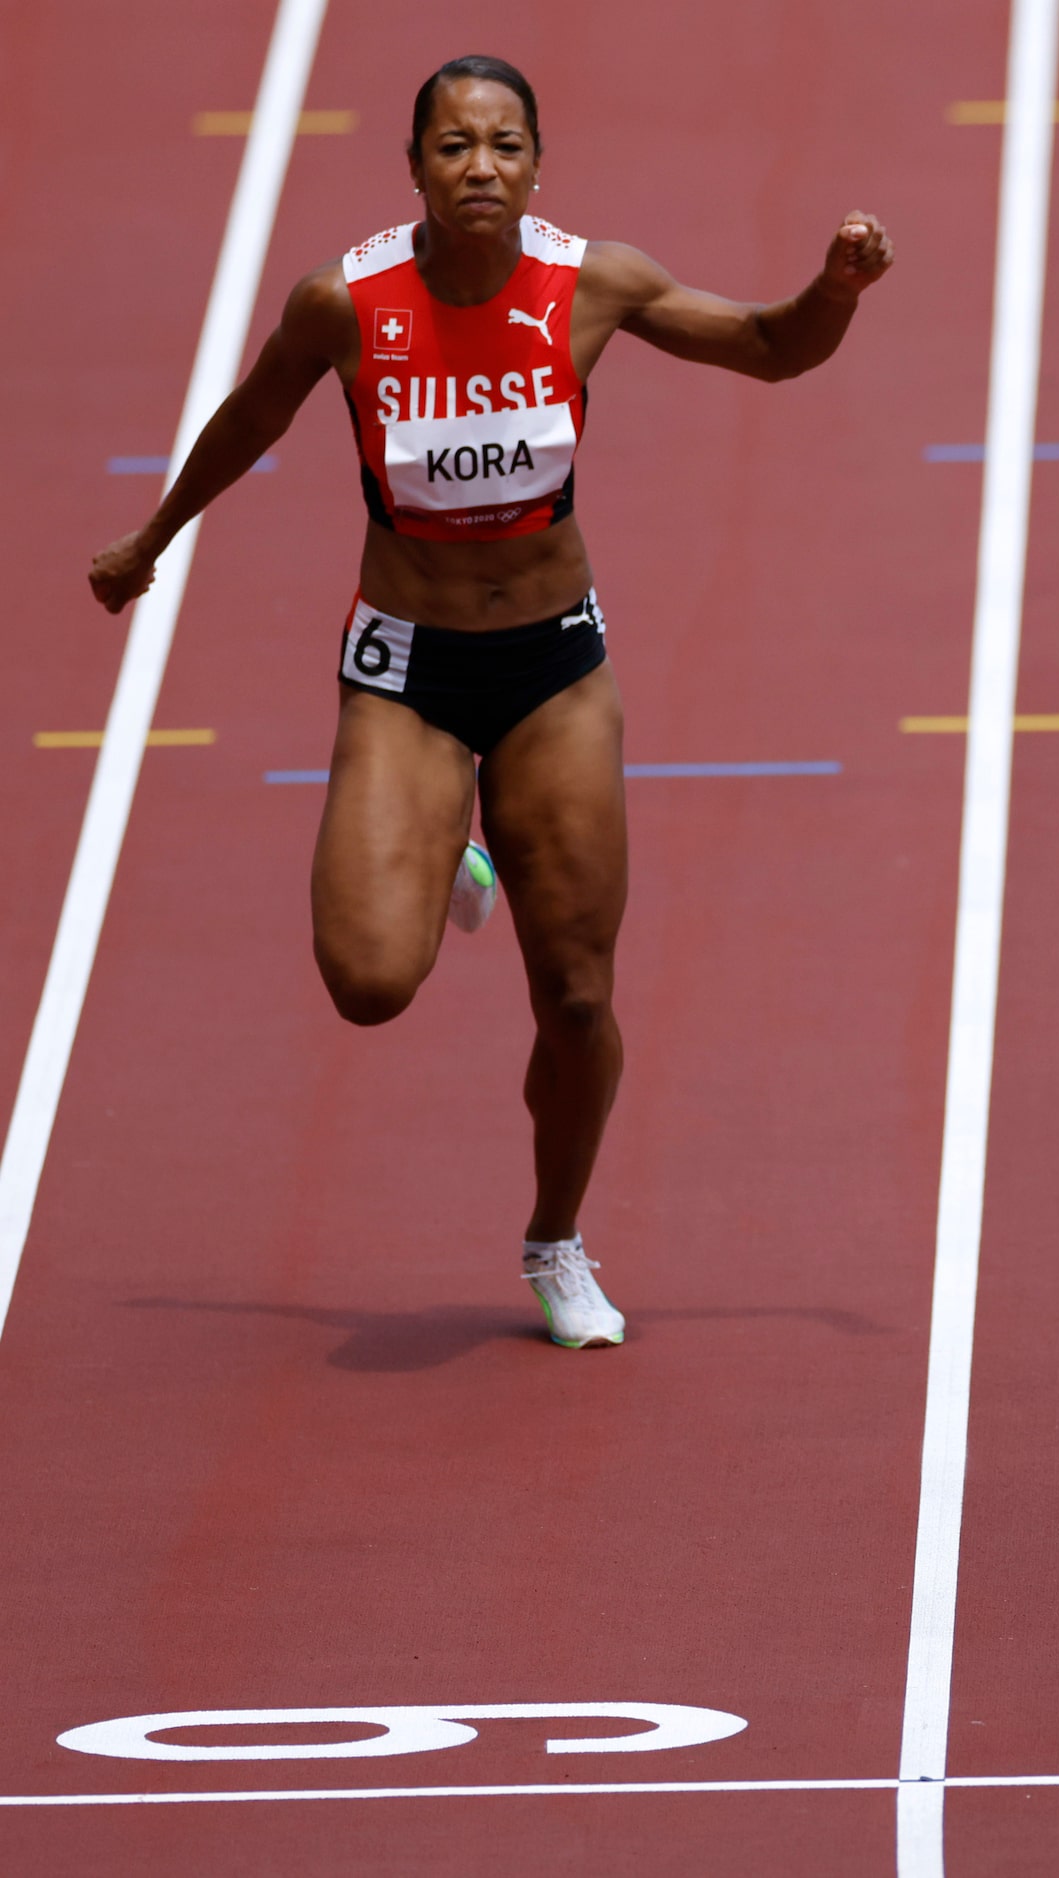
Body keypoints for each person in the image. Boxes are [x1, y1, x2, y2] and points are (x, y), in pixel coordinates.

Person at [87, 55, 893, 1348]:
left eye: (505, 145)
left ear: (535, 166)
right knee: (367, 982)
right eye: (454, 146)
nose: (480, 167)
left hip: (552, 669)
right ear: (413, 167)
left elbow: (769, 348)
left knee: (575, 995)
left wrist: (835, 290)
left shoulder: (593, 284)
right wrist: (153, 537)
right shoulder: (343, 304)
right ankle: (450, 841)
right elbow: (249, 419)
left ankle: (555, 1237)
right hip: (406, 668)